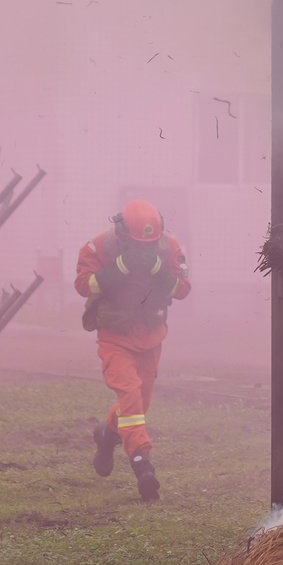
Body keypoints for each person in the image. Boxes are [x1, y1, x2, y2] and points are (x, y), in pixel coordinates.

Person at [75, 199, 190, 501]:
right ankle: (142, 463)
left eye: (149, 244)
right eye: (137, 244)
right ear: (121, 234)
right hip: (114, 338)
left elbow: (183, 289)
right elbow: (82, 284)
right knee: (129, 395)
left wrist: (157, 269)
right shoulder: (97, 247)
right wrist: (119, 268)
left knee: (139, 403)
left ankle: (106, 435)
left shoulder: (169, 248)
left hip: (151, 337)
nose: (144, 249)